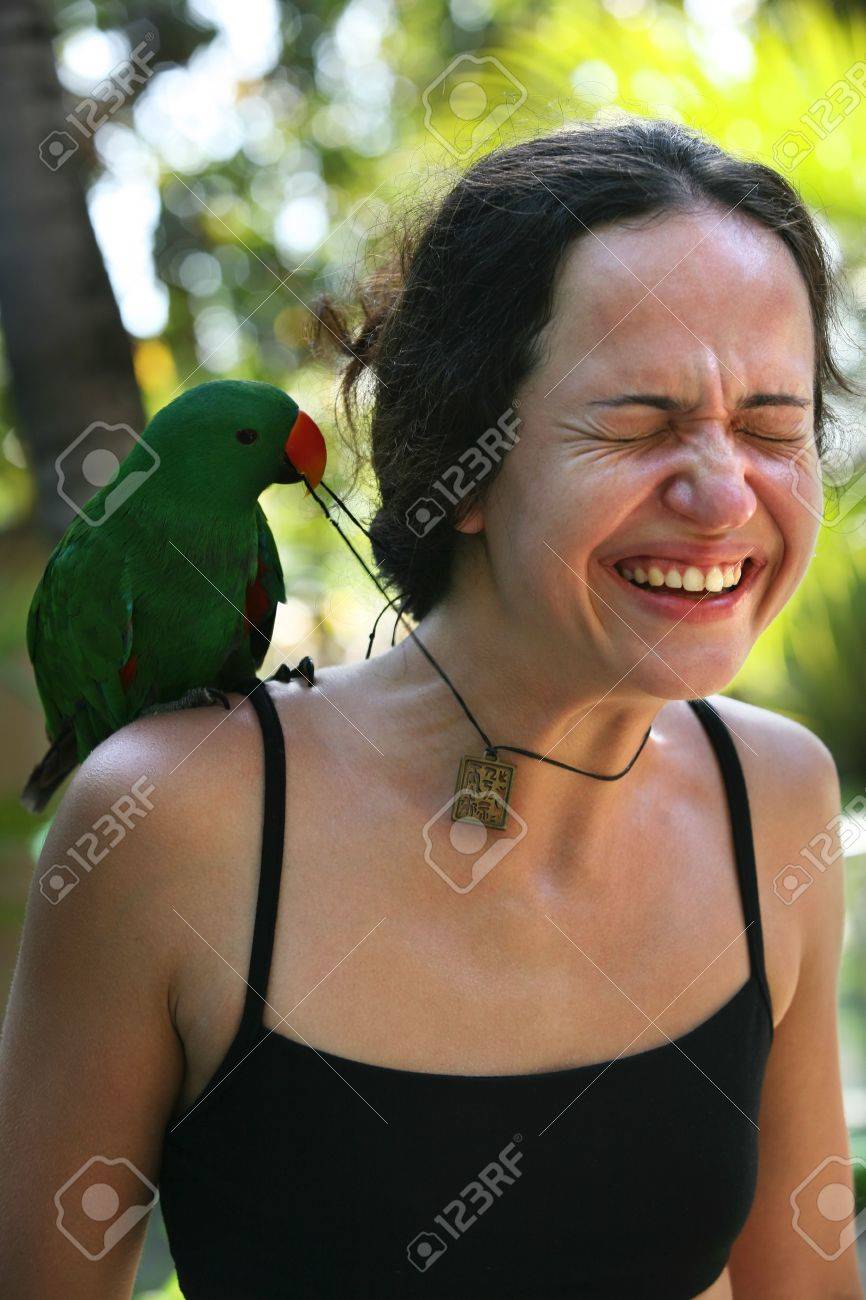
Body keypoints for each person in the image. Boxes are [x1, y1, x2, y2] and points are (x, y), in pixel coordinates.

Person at [2, 118, 864, 1299]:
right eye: (636, 422)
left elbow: (801, 1289)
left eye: (771, 427)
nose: (722, 494)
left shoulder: (776, 795)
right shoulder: (167, 824)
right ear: (463, 455)